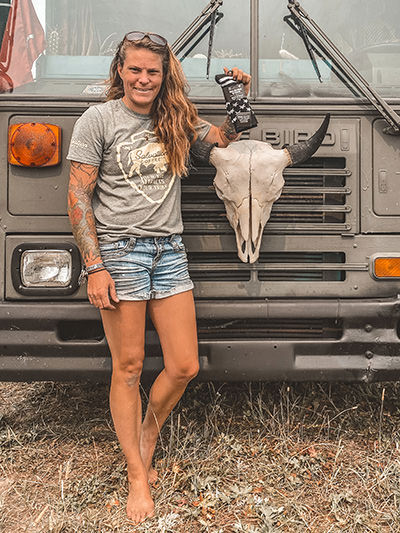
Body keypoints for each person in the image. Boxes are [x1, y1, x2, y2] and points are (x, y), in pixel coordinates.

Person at [67, 31, 251, 525]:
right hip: (120, 253)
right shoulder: (98, 120)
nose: (143, 78)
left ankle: (149, 430)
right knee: (128, 367)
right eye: (135, 70)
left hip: (169, 250)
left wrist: (240, 101)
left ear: (164, 74)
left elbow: (223, 138)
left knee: (185, 365)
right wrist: (95, 265)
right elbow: (78, 197)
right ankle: (136, 475)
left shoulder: (176, 119)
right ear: (120, 71)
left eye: (153, 71)